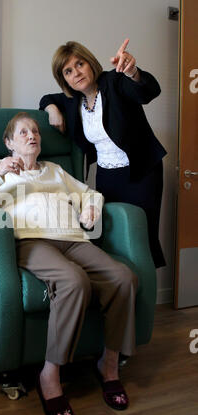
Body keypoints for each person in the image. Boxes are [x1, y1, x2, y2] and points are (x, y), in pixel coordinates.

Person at [0, 112, 138, 415]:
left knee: (123, 277)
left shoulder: (55, 171)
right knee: (73, 280)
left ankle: (108, 364)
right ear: (9, 142)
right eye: (23, 132)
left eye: (35, 131)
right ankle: (50, 373)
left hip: (73, 240)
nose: (32, 135)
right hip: (32, 242)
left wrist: (91, 206)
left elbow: (88, 193)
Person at [40, 39, 167, 268]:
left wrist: (132, 72)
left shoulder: (114, 82)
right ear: (64, 79)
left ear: (90, 63)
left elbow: (148, 91)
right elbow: (47, 99)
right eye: (68, 71)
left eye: (80, 64)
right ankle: (120, 290)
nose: (76, 73)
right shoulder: (73, 101)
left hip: (140, 172)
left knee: (141, 238)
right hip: (107, 177)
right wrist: (51, 110)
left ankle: (145, 299)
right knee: (107, 237)